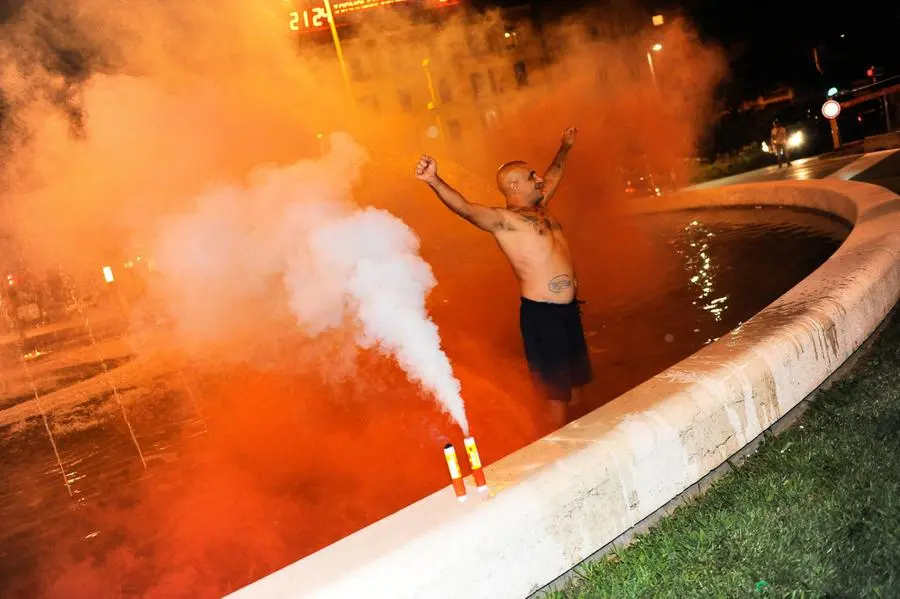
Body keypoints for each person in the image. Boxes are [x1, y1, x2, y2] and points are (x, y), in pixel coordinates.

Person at [415, 127, 593, 423]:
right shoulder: (504, 221)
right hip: (544, 317)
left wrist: (565, 147)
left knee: (576, 391)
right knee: (556, 399)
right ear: (514, 185)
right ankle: (556, 454)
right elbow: (465, 209)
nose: (539, 180)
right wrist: (434, 179)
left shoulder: (541, 209)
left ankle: (582, 443)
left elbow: (554, 174)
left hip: (568, 314)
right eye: (531, 177)